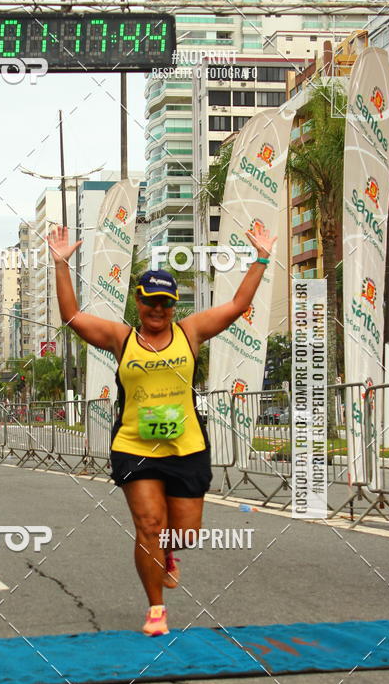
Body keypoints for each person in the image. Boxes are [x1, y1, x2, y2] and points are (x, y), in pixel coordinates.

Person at [49, 222, 275, 636]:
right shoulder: (121, 338)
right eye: (151, 302)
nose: (158, 310)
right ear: (138, 301)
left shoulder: (191, 333)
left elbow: (239, 305)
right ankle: (156, 608)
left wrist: (260, 258)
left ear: (174, 305)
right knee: (149, 525)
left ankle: (170, 553)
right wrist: (61, 265)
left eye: (165, 304)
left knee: (184, 534)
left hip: (186, 447)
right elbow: (73, 317)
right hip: (136, 446)